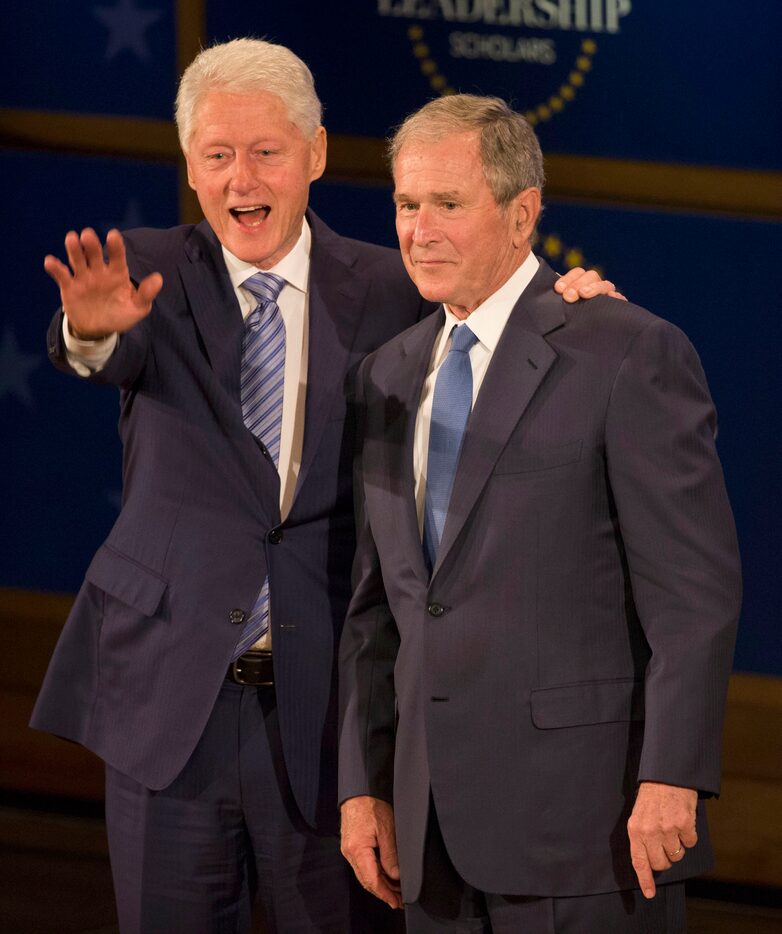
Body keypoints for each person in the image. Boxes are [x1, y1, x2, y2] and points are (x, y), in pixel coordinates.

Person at [31, 41, 614, 934]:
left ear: (317, 153)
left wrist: (559, 296)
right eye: (217, 155)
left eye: (266, 151)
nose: (242, 178)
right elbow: (105, 349)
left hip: (328, 714)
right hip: (169, 705)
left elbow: (490, 319)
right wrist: (87, 331)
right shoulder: (145, 274)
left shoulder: (393, 285)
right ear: (190, 166)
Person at [338, 94, 742, 933]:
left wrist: (672, 777)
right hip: (429, 832)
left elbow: (692, 596)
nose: (419, 229)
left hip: (587, 829)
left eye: (448, 204)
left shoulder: (625, 352)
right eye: (407, 205)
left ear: (522, 215)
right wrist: (363, 783)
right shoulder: (384, 374)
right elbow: (378, 613)